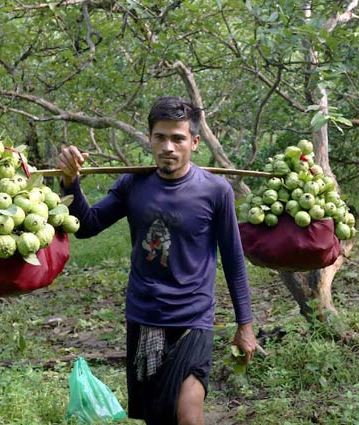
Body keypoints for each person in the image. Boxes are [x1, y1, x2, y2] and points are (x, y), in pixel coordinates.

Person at [57, 96, 257, 424]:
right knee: (156, 418)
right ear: (149, 138)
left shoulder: (215, 191)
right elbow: (88, 225)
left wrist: (245, 325)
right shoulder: (133, 184)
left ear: (194, 142)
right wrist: (70, 182)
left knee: (189, 415)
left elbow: (234, 260)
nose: (168, 147)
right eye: (160, 137)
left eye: (178, 138)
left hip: (194, 319)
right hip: (145, 316)